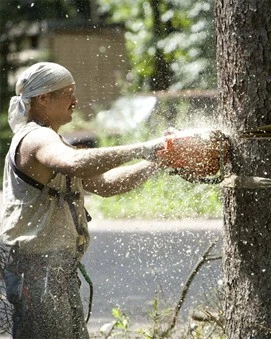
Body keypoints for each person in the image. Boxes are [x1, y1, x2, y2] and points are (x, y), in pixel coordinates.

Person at [0, 62, 166, 338]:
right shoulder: (36, 138)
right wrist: (144, 149)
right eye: (68, 93)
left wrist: (158, 162)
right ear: (43, 99)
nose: (75, 100)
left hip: (56, 271)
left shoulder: (54, 141)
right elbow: (76, 163)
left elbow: (106, 185)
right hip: (38, 273)